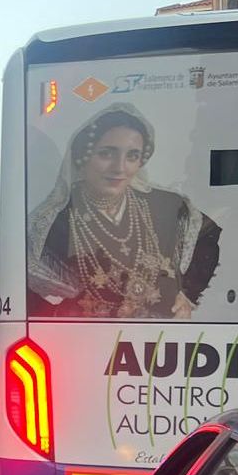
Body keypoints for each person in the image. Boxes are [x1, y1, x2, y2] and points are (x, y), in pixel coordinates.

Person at [27, 105, 222, 319]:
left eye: (132, 156)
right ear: (83, 157)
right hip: (90, 339)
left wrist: (188, 294)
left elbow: (207, 236)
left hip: (163, 340)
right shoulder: (55, 221)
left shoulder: (166, 204)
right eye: (106, 154)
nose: (119, 167)